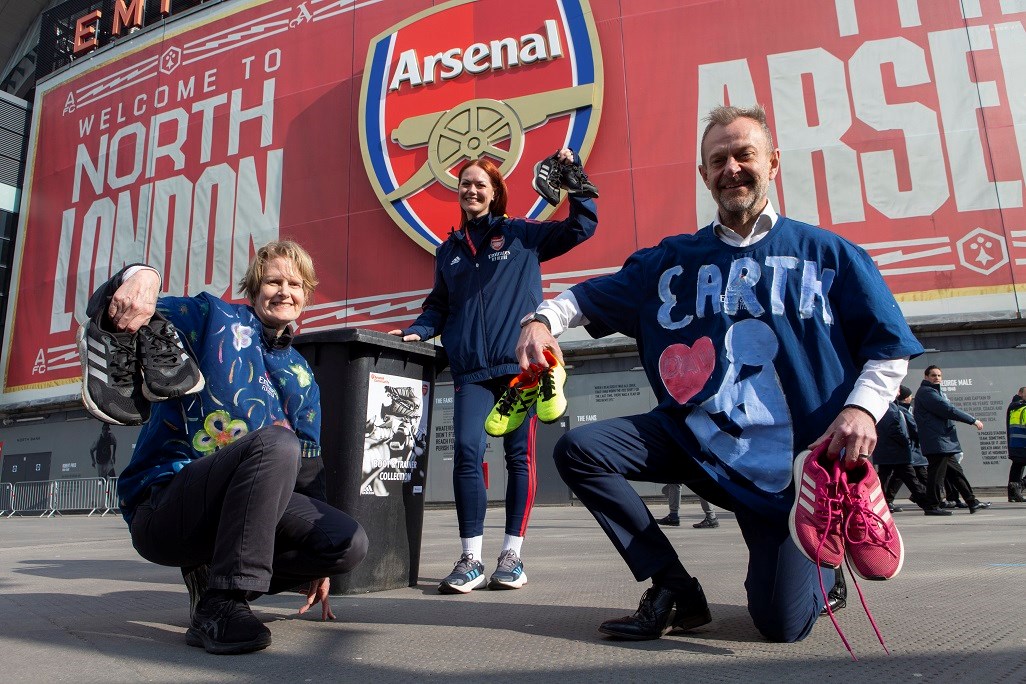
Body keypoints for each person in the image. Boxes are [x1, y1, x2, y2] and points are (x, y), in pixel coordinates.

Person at [515, 104, 922, 643]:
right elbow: (588, 296)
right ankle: (673, 588)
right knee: (581, 449)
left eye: (743, 154)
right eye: (717, 160)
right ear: (703, 176)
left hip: (794, 473)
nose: (731, 168)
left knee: (781, 626)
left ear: (773, 163)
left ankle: (823, 562)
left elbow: (890, 346)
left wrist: (861, 409)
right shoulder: (671, 261)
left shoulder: (830, 254)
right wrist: (542, 321)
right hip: (693, 440)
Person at [88, 240, 368, 654]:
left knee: (346, 542)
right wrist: (141, 276)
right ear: (253, 290)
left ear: (306, 295)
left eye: (295, 283)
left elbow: (307, 473)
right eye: (273, 281)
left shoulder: (303, 375)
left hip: (246, 510)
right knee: (276, 443)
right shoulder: (212, 318)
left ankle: (215, 577)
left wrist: (318, 556)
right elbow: (122, 304)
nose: (284, 291)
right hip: (167, 506)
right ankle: (222, 603)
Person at [389, 151, 597, 594]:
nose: (472, 189)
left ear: (494, 191)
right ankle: (470, 558)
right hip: (469, 370)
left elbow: (581, 227)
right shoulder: (448, 251)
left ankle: (512, 555)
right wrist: (417, 331)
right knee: (466, 452)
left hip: (519, 367)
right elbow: (439, 307)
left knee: (518, 458)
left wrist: (576, 180)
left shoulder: (519, 234)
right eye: (465, 183)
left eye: (480, 183)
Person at [913, 365, 990, 515]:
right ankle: (932, 506)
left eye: (939, 376)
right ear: (926, 377)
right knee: (936, 475)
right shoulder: (927, 392)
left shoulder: (935, 392)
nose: (937, 378)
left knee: (956, 473)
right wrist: (972, 420)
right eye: (933, 375)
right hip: (937, 441)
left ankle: (972, 501)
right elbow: (948, 410)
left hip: (943, 442)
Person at [873, 386, 927, 513]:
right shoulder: (890, 408)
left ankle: (882, 504)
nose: (898, 392)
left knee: (885, 478)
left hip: (890, 451)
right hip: (895, 450)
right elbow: (894, 429)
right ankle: (928, 504)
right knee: (910, 477)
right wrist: (905, 442)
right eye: (896, 389)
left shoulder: (890, 406)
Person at [1006, 386, 1026, 502]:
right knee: (1017, 467)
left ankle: (1013, 494)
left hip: (1015, 443)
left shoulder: (1013, 406)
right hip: (1022, 443)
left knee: (1017, 467)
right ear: (1020, 393)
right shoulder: (1022, 407)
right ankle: (1020, 486)